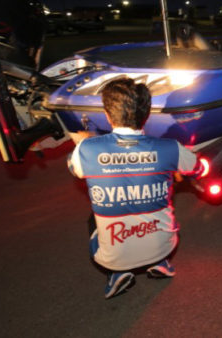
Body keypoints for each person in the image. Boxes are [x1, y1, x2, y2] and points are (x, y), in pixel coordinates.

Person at [67, 77, 202, 299]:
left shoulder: (87, 149)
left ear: (108, 115)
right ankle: (160, 263)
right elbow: (198, 170)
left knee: (93, 218)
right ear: (146, 115)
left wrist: (86, 143)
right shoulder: (170, 148)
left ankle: (117, 272)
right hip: (165, 246)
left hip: (111, 257)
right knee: (165, 202)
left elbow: (73, 169)